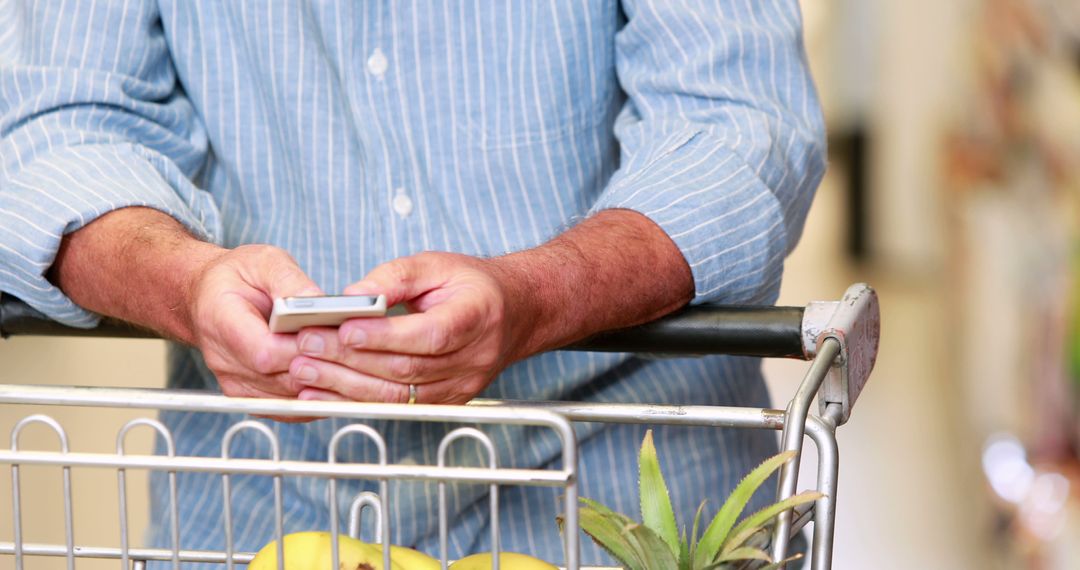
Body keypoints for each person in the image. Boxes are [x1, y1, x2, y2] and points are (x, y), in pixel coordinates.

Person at [0, 0, 825, 566]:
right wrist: (185, 281)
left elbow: (736, 122)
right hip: (261, 492)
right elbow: (59, 127)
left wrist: (539, 294)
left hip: (620, 494)